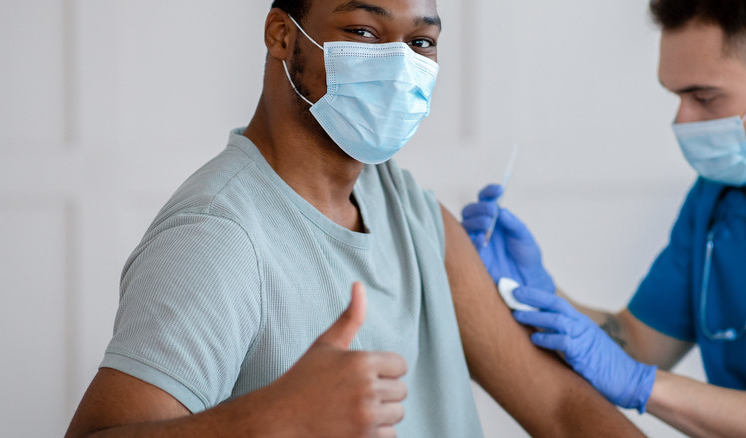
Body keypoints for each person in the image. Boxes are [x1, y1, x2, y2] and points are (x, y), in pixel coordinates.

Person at [65, 1, 646, 437]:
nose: (398, 64)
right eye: (364, 32)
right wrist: (271, 419)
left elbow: (559, 408)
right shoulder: (219, 236)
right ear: (281, 35)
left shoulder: (409, 209)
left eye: (421, 42)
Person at [462, 1, 746, 437]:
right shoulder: (715, 198)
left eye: (704, 97)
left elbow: (634, 371)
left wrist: (641, 386)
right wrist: (537, 290)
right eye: (677, 97)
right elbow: (638, 342)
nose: (681, 120)